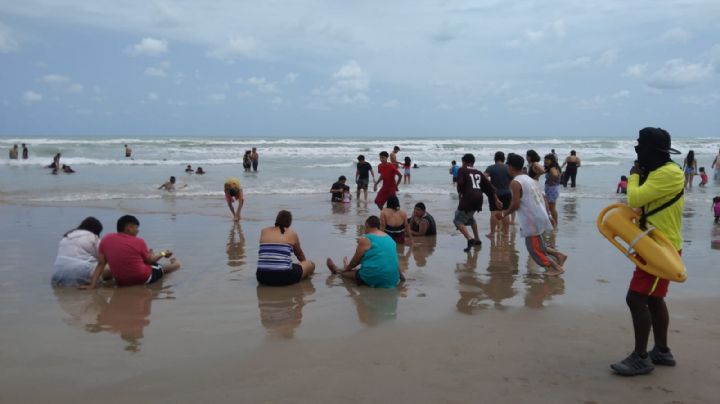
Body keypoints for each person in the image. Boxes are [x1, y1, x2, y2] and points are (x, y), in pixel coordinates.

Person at [610, 127, 684, 377]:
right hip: (654, 244)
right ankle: (662, 351)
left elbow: (635, 199)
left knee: (635, 298)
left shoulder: (669, 173)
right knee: (653, 298)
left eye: (641, 145)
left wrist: (633, 176)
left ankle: (641, 357)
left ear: (652, 151)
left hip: (660, 249)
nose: (637, 149)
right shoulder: (660, 171)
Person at [502, 153, 567, 276]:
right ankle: (559, 255)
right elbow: (543, 197)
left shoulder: (515, 182)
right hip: (539, 215)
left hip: (532, 219)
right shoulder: (529, 178)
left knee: (533, 248)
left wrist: (504, 214)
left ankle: (554, 268)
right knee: (538, 243)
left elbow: (515, 205)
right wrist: (548, 215)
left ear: (510, 167)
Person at [82, 215, 182, 289]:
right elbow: (149, 261)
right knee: (161, 267)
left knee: (143, 260)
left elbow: (101, 264)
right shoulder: (139, 241)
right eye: (136, 228)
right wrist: (163, 253)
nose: (138, 231)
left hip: (121, 282)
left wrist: (92, 285)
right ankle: (176, 263)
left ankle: (150, 253)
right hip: (143, 279)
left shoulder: (105, 239)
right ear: (129, 227)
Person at [326, 215, 403, 288]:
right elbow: (394, 260)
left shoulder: (366, 239)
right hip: (392, 279)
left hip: (374, 277)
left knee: (346, 274)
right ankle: (343, 268)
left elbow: (355, 262)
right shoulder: (389, 238)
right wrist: (402, 277)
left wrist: (346, 269)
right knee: (363, 268)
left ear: (367, 225)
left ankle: (337, 271)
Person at [455, 153, 501, 252]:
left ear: (463, 162)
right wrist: (496, 199)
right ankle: (477, 239)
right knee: (470, 217)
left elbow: (460, 183)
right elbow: (490, 187)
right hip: (479, 197)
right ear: (473, 163)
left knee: (457, 220)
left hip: (469, 197)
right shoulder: (478, 172)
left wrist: (460, 193)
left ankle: (470, 239)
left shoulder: (462, 169)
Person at [257, 210, 315, 286]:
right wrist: (304, 265)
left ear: (276, 220)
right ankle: (300, 295)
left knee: (292, 265)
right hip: (284, 277)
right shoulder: (292, 233)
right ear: (289, 222)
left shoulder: (264, 231)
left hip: (262, 277)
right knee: (310, 264)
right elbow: (300, 255)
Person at [51, 217, 106, 287]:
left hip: (57, 274)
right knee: (109, 267)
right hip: (79, 272)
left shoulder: (66, 236)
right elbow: (102, 260)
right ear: (95, 230)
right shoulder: (93, 237)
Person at [485, 151, 513, 236]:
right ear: (504, 159)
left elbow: (484, 176)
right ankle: (506, 233)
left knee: (494, 212)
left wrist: (489, 184)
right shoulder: (508, 168)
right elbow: (513, 178)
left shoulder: (491, 167)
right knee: (505, 212)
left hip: (495, 193)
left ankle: (492, 233)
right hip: (507, 192)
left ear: (495, 158)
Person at [543, 153, 562, 228]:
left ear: (552, 160)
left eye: (547, 160)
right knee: (551, 207)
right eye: (545, 160)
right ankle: (554, 223)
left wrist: (551, 180)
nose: (545, 161)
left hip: (552, 189)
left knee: (552, 208)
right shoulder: (555, 167)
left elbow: (554, 175)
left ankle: (555, 224)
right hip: (553, 188)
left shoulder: (552, 168)